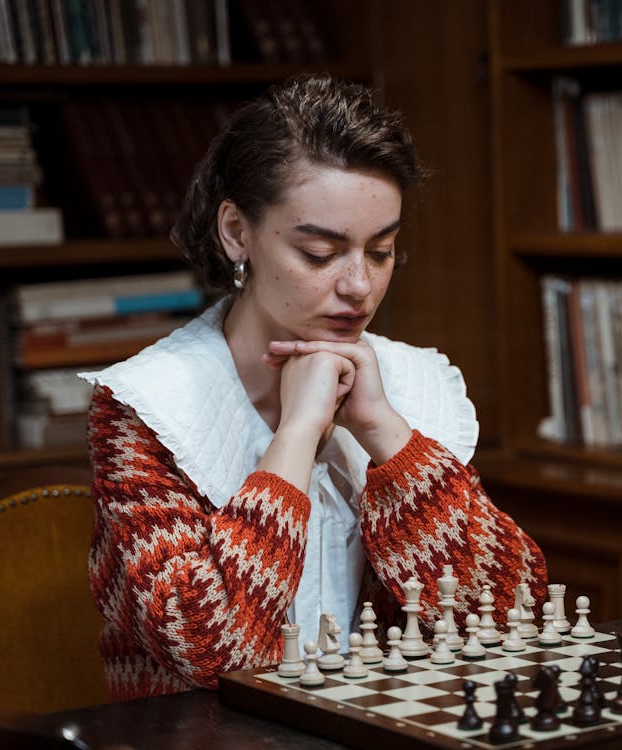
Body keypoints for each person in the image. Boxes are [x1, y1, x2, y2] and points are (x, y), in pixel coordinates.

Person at [81, 74, 548, 701]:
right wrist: (297, 435)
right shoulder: (148, 405)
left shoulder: (410, 383)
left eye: (380, 251)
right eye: (321, 252)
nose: (358, 285)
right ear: (236, 232)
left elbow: (511, 610)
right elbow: (213, 649)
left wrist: (386, 433)